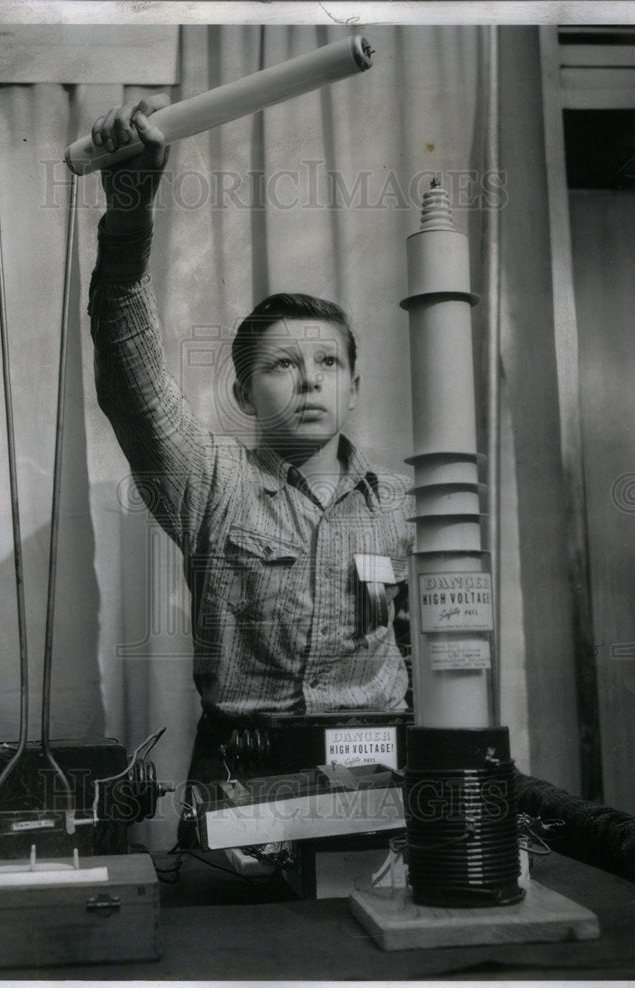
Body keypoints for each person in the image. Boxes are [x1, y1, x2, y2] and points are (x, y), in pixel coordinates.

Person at [88, 95, 414, 800]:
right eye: (280, 366)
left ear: (353, 387)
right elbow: (130, 374)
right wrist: (129, 210)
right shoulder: (211, 482)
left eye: (327, 364)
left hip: (381, 767)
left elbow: (426, 644)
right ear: (242, 395)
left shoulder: (402, 505)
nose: (307, 383)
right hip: (244, 772)